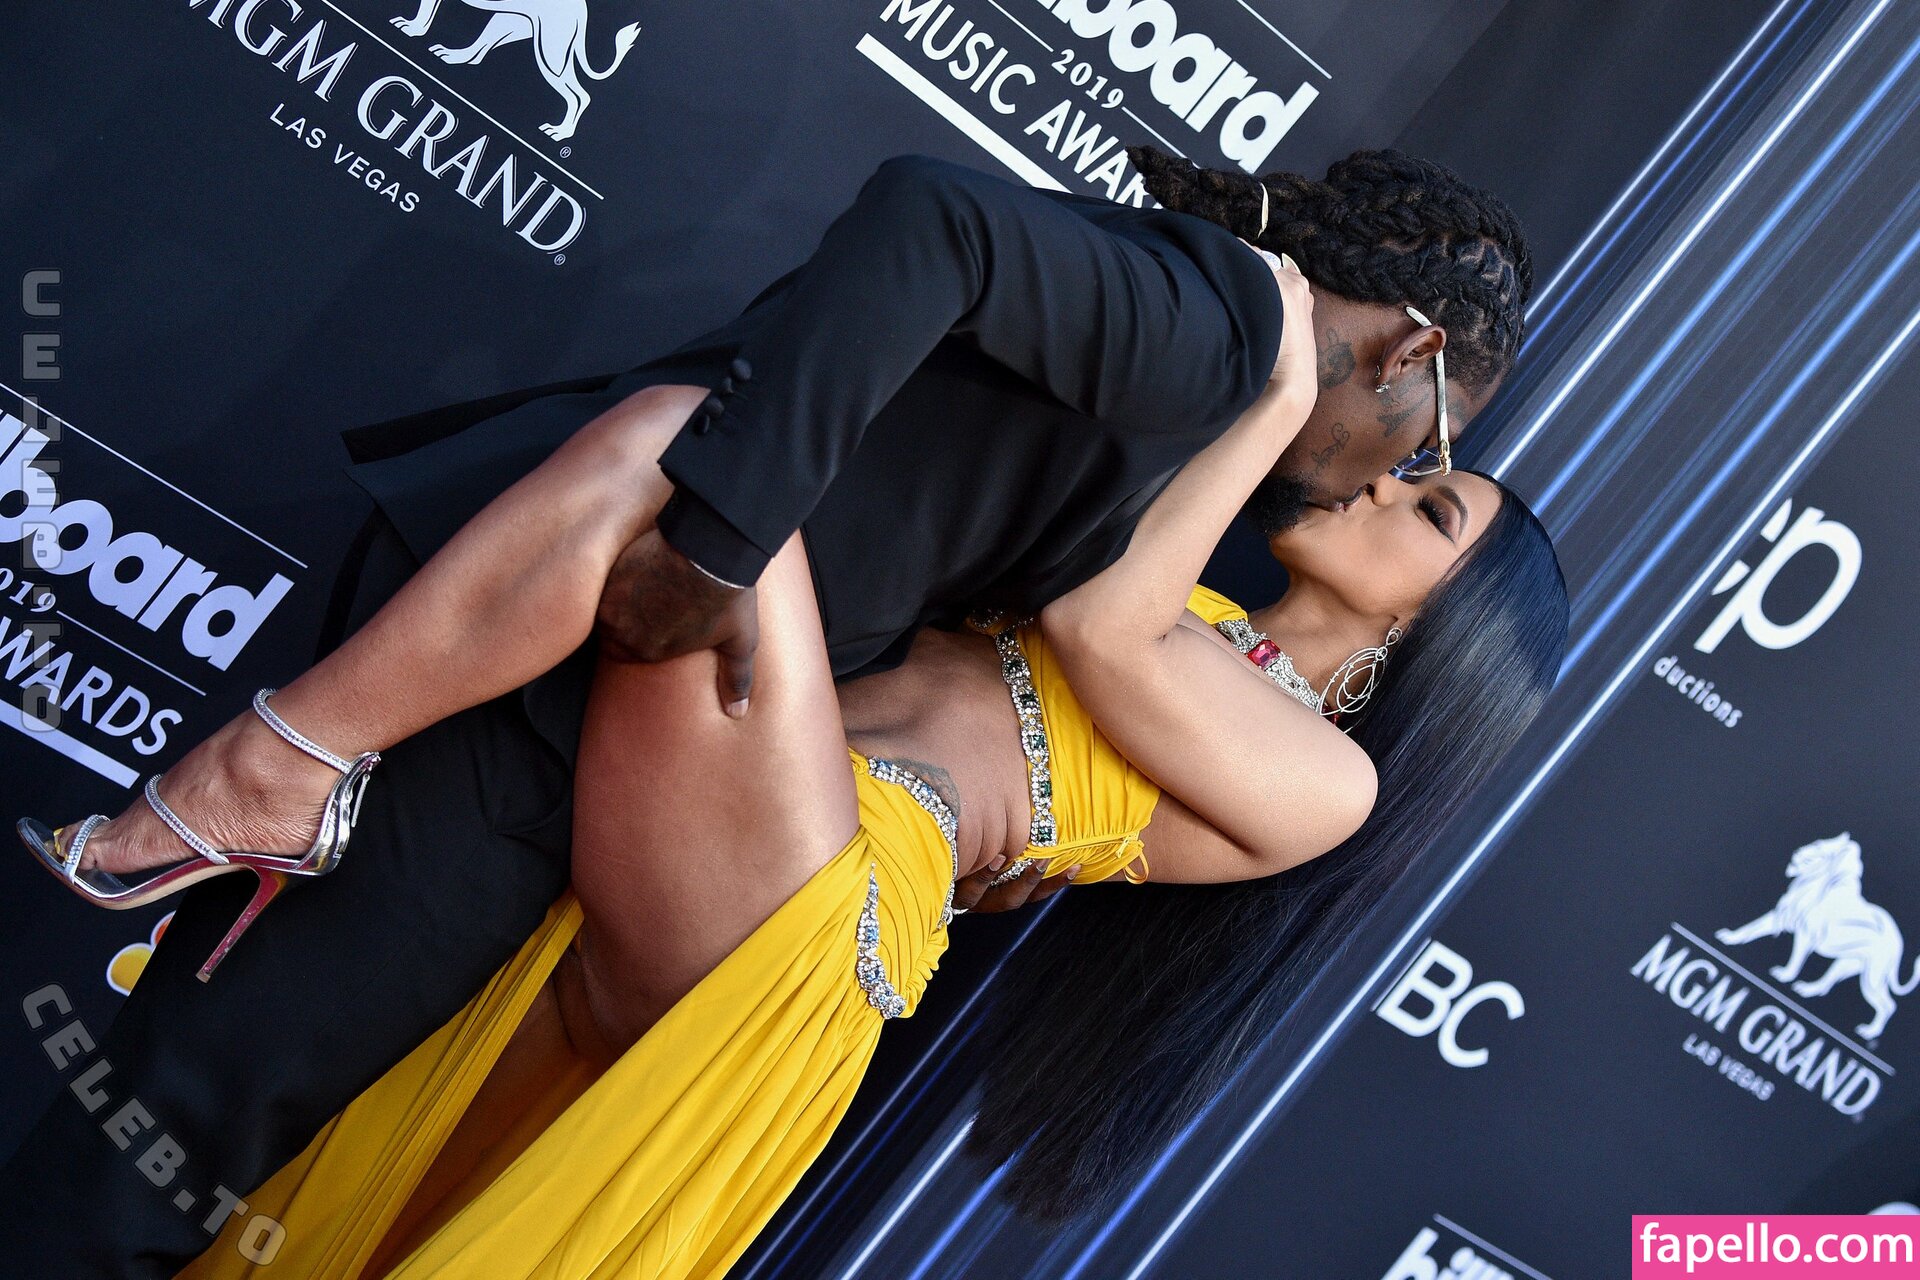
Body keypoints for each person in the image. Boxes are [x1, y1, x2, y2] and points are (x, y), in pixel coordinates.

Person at [5, 144, 1535, 1277]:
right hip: (702, 801)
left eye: (1433, 499)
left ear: (1433, 632)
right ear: (1411, 346)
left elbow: (1094, 630)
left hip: (808, 918)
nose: (1391, 479)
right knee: (347, 1166)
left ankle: (278, 760)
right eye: (1424, 457)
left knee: (685, 450)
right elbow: (1047, 598)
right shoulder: (1192, 552)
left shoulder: (1326, 777)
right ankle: (291, 761)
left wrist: (1273, 400)